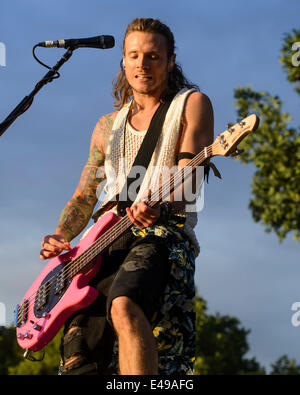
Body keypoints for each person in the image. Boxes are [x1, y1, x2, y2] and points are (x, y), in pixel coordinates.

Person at [40, 17, 214, 375]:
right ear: (123, 60)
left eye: (153, 56)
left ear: (170, 59)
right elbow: (84, 196)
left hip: (161, 234)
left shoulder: (190, 104)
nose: (142, 64)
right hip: (100, 243)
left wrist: (162, 204)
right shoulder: (107, 126)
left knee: (124, 303)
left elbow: (189, 176)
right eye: (133, 55)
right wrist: (61, 234)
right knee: (79, 352)